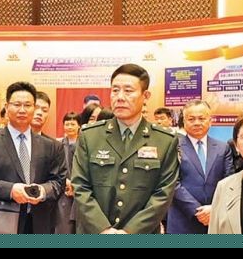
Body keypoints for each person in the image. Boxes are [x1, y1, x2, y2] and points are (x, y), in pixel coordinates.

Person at [73, 63, 181, 234]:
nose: (120, 97)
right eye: (115, 90)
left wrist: (130, 231)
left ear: (145, 96)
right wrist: (103, 229)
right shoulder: (90, 135)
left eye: (128, 91)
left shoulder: (164, 140)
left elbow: (163, 193)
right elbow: (80, 186)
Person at [0, 81, 69, 234]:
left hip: (40, 224)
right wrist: (10, 190)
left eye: (28, 105)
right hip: (2, 222)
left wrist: (43, 191)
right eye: (17, 104)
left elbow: (58, 182)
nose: (22, 110)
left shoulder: (51, 146)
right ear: (7, 107)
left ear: (34, 108)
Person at [167, 100, 232, 234]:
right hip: (182, 220)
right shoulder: (172, 146)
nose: (197, 123)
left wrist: (214, 208)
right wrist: (198, 211)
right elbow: (172, 182)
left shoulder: (223, 148)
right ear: (184, 121)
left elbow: (230, 181)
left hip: (215, 218)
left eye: (201, 118)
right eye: (191, 119)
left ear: (210, 121)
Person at [56, 112, 82, 233]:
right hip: (64, 189)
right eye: (67, 124)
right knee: (64, 226)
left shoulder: (84, 143)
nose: (69, 127)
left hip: (81, 189)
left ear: (79, 125)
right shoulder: (57, 144)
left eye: (73, 124)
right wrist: (65, 181)